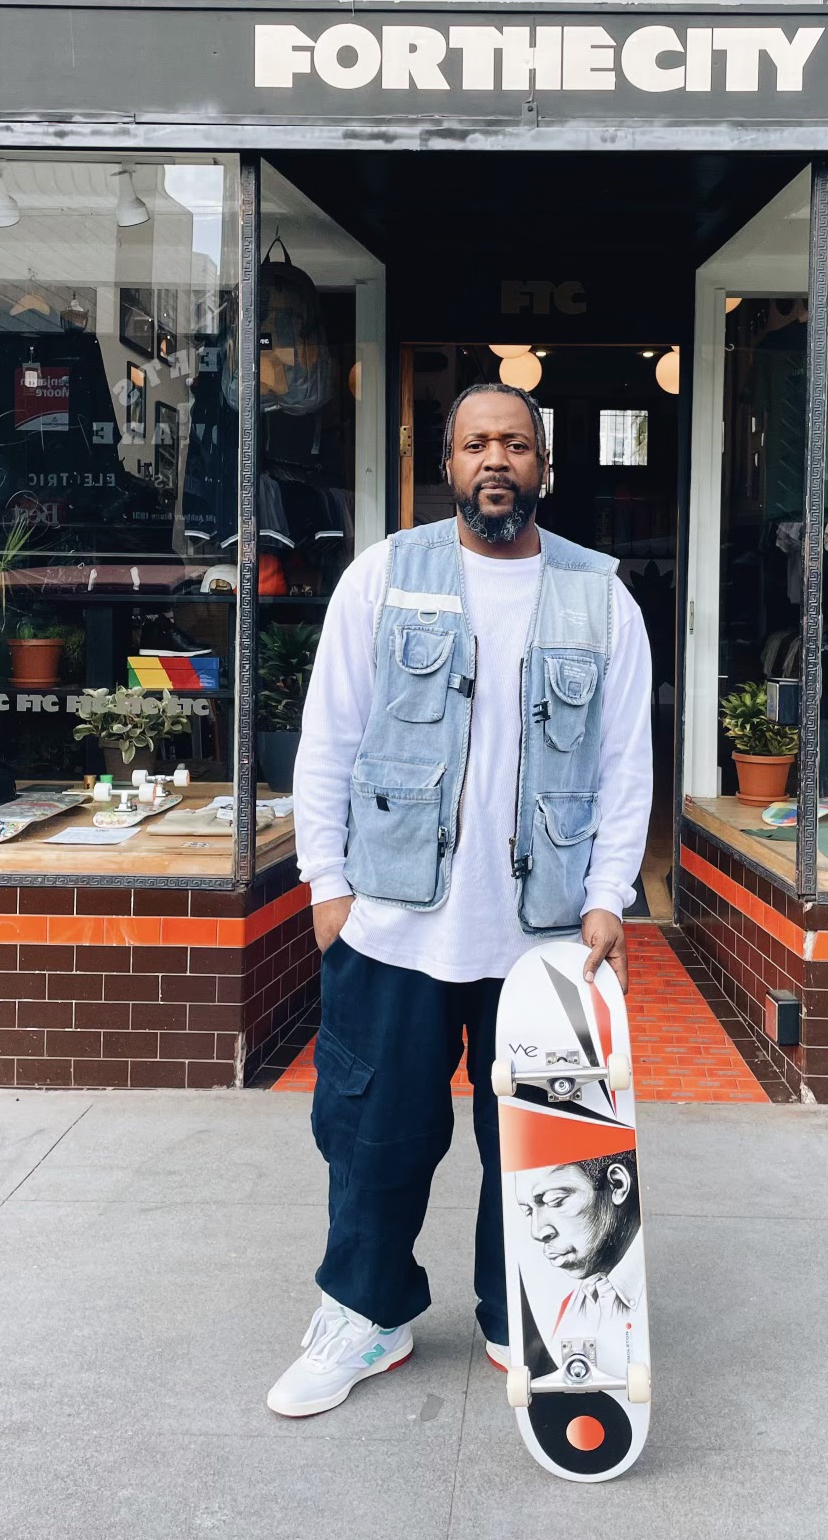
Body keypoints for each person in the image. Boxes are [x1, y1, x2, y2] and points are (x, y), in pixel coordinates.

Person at [268, 383, 652, 1417]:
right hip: (392, 924)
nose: (497, 460)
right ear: (448, 464)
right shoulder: (385, 577)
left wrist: (609, 897)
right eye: (477, 442)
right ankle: (365, 1314)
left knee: (540, 1146)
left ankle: (520, 1311)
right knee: (374, 1138)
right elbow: (329, 739)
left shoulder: (599, 596)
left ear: (543, 466)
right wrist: (327, 888)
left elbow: (625, 766)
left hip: (544, 933)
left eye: (516, 444)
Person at [515, 1150, 642, 1382]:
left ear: (617, 1185)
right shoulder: (572, 1307)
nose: (537, 1231)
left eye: (555, 1201)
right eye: (528, 1211)